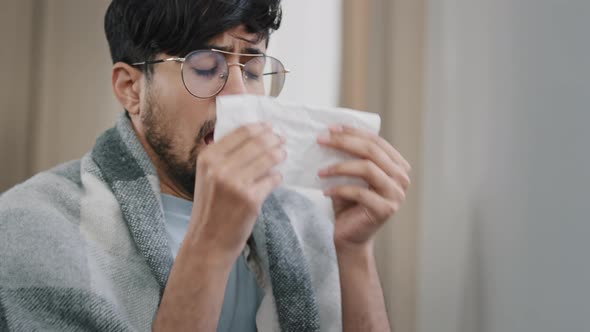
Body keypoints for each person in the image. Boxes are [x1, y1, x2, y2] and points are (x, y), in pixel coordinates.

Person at [0, 0, 411, 331]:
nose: (236, 93)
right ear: (131, 89)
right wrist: (211, 246)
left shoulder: (304, 219)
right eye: (204, 68)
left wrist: (354, 251)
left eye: (251, 70)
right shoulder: (31, 227)